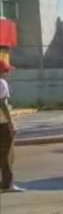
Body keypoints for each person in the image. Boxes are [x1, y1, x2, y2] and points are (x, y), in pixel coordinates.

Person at [0, 59, 23, 193]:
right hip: (2, 124)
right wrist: (11, 123)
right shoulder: (2, 83)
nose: (8, 73)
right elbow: (2, 104)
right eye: (6, 70)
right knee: (8, 154)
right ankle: (7, 185)